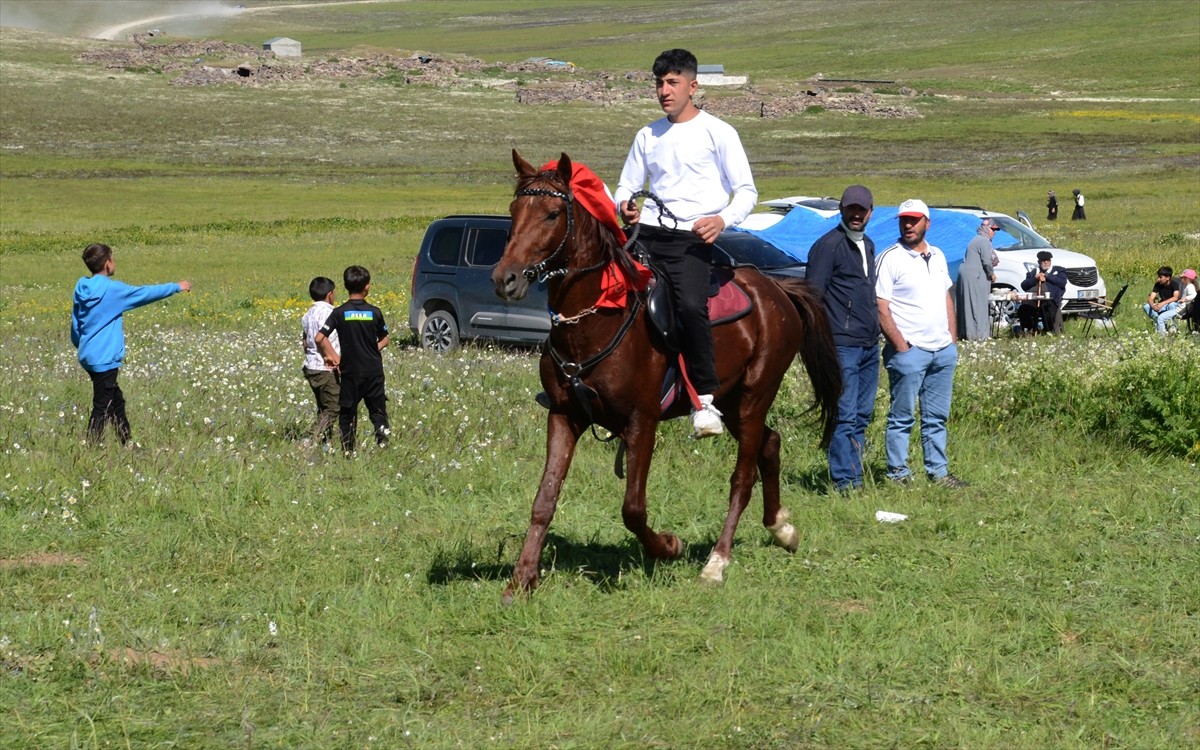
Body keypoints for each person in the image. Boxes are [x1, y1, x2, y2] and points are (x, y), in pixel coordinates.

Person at [614, 48, 758, 438]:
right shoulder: (647, 134)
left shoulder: (719, 132)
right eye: (659, 83)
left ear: (693, 86)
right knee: (603, 289)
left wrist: (722, 219)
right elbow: (627, 185)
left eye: (673, 82)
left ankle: (705, 402)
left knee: (691, 306)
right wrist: (625, 205)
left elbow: (746, 191)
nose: (664, 90)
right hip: (645, 233)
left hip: (690, 240)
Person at [875, 199, 967, 488]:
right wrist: (902, 346)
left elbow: (946, 296)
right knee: (902, 417)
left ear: (927, 223)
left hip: (942, 351)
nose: (908, 225)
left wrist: (952, 338)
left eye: (914, 220)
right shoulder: (890, 257)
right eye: (904, 220)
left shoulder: (938, 255)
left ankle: (938, 472)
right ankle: (898, 473)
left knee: (937, 417)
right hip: (910, 351)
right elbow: (880, 306)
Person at [70, 242, 191, 445]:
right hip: (105, 358)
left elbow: (76, 323)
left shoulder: (81, 288)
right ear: (108, 264)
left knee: (115, 400)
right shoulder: (113, 290)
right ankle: (91, 450)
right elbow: (144, 293)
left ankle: (127, 443)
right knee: (102, 405)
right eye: (113, 259)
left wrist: (81, 345)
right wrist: (176, 287)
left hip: (88, 355)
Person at [806, 184, 879, 493]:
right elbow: (812, 297)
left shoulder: (870, 244)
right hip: (841, 344)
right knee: (845, 414)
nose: (856, 215)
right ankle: (844, 482)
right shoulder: (828, 246)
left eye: (861, 210)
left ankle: (854, 475)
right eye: (851, 209)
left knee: (862, 414)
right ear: (841, 210)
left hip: (869, 343)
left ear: (871, 212)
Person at [316, 265, 390, 452]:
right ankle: (383, 446)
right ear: (367, 287)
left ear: (346, 286)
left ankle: (348, 451)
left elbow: (319, 337)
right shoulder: (375, 312)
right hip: (373, 371)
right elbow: (385, 339)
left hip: (350, 372)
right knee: (378, 413)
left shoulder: (339, 313)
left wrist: (331, 357)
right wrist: (371, 349)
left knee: (347, 414)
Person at [301, 276, 340, 443]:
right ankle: (311, 438)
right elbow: (322, 339)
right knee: (334, 406)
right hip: (326, 367)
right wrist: (335, 359)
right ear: (330, 294)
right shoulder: (329, 313)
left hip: (311, 366)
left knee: (322, 406)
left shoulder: (307, 314)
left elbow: (305, 341)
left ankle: (325, 442)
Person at [956, 218, 999, 341]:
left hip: (967, 274)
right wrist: (992, 274)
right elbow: (987, 261)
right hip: (975, 276)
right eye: (992, 229)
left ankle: (965, 333)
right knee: (977, 305)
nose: (994, 232)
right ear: (986, 228)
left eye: (995, 230)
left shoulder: (976, 240)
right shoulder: (984, 241)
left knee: (967, 305)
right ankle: (977, 336)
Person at [1017, 250, 1068, 334]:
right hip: (1034, 300)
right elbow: (1024, 285)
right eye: (1043, 261)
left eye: (1048, 260)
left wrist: (1047, 276)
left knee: (1048, 309)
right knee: (1023, 308)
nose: (1046, 263)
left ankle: (1049, 330)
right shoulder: (1033, 272)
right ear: (1039, 262)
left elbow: (1062, 283)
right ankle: (1028, 330)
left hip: (1050, 300)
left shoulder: (1059, 270)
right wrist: (1035, 279)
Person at [1143, 265, 1182, 335]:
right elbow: (1151, 298)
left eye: (1160, 277)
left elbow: (1175, 297)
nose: (1158, 279)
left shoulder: (1174, 284)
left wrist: (1162, 303)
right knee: (1146, 306)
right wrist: (1153, 306)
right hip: (1163, 305)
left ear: (1167, 278)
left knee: (1171, 305)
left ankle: (1173, 327)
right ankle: (1157, 323)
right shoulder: (1158, 285)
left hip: (1173, 304)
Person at [1178, 268, 1198, 332]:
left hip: (1185, 308)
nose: (1181, 279)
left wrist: (1185, 298)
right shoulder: (1187, 286)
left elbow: (1194, 295)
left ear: (1187, 278)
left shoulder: (1190, 286)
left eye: (1182, 278)